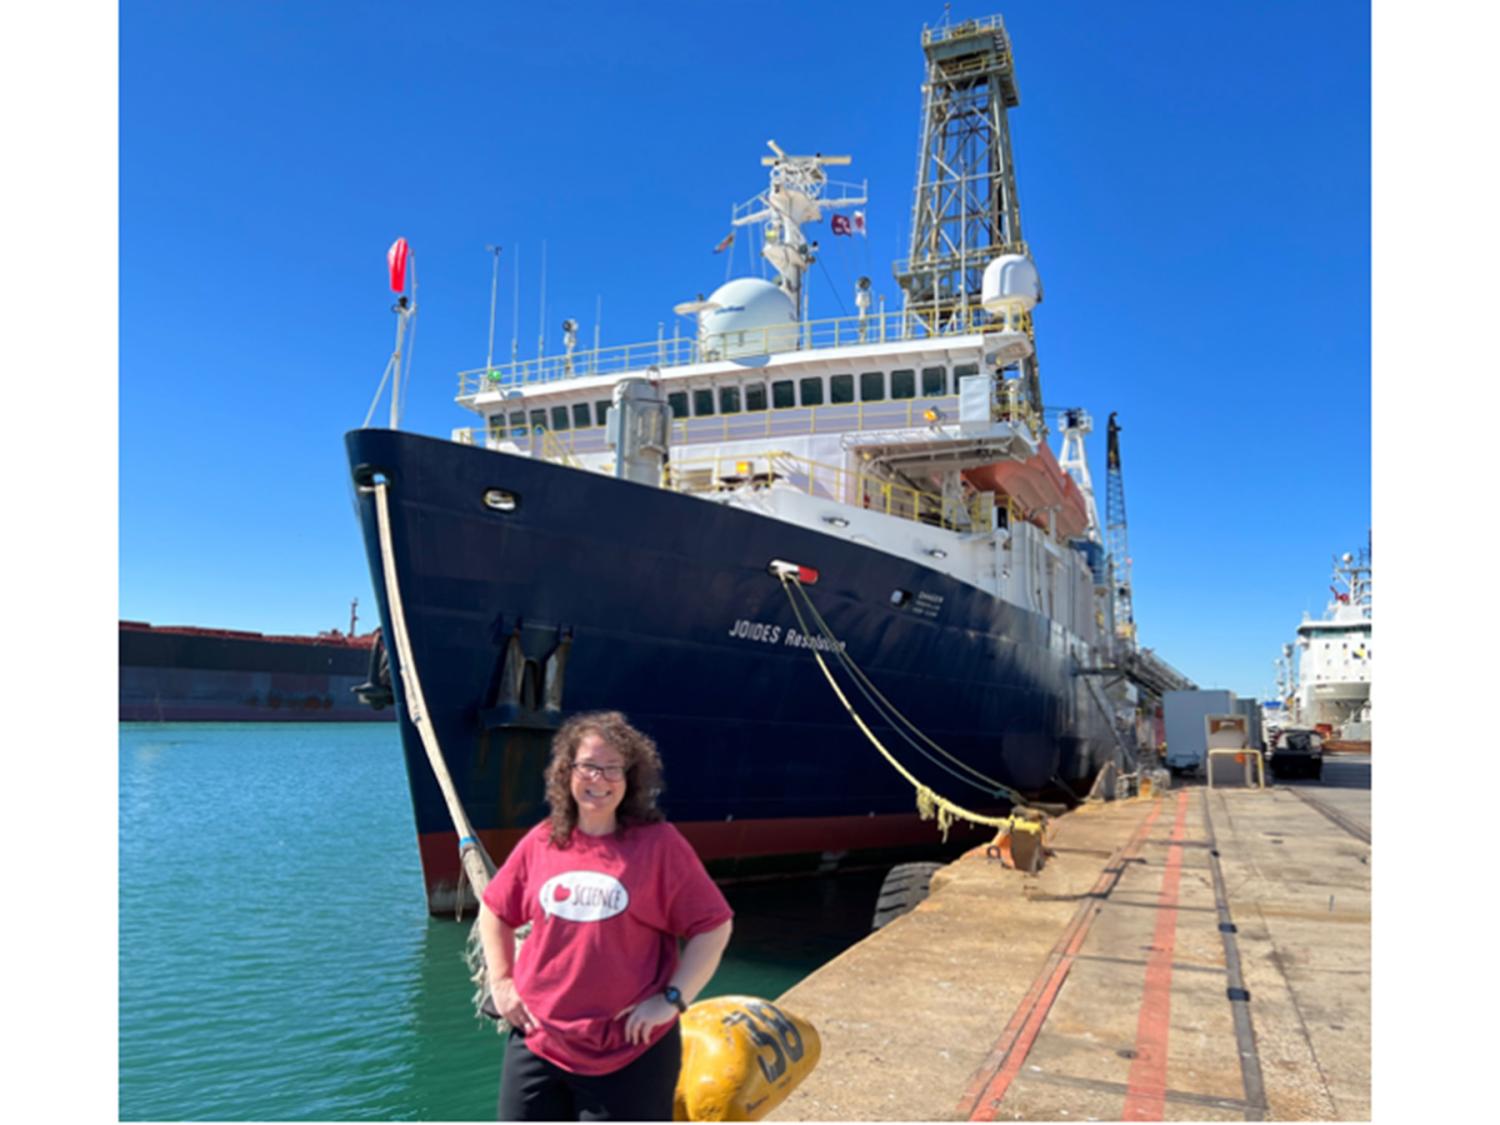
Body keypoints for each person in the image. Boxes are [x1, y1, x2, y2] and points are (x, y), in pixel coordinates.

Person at [479, 711, 734, 1121]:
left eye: (613, 768)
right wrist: (502, 981)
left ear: (630, 778)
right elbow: (495, 909)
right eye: (588, 766)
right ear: (567, 772)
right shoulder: (543, 839)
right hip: (538, 1040)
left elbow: (714, 925)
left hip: (630, 1051)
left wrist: (672, 999)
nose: (599, 779)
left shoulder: (658, 846)